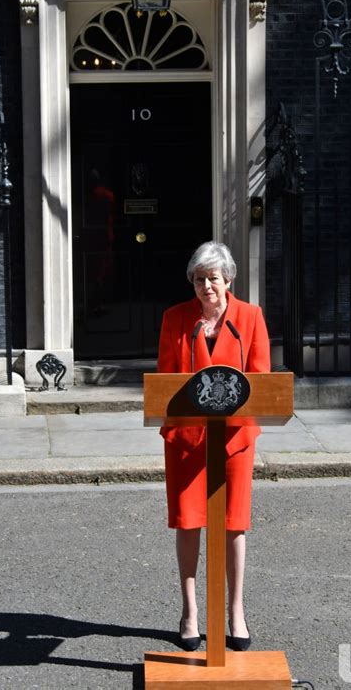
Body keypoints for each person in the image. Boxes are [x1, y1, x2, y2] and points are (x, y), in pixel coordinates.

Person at [157, 241, 271, 652]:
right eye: (200, 279)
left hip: (234, 439)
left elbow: (261, 380)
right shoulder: (175, 319)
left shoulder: (251, 318)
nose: (207, 287)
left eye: (214, 279)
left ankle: (235, 611)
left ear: (229, 281)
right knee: (188, 523)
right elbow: (165, 381)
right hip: (187, 440)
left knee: (234, 523)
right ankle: (190, 611)